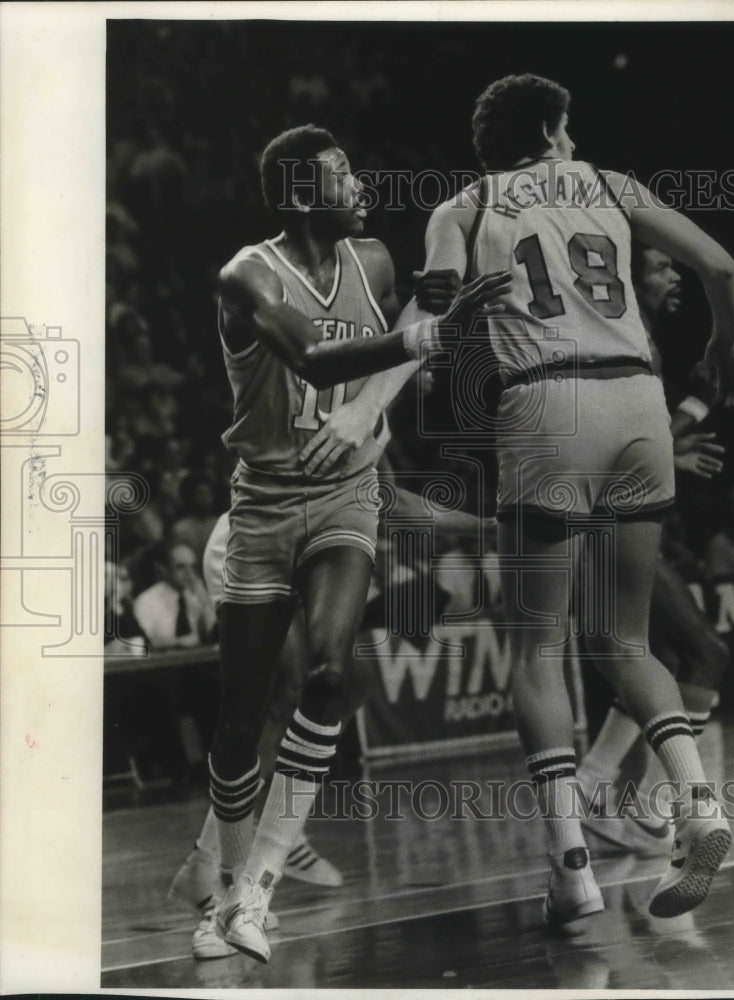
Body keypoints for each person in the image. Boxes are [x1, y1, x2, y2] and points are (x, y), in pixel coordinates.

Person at [414, 73, 734, 927]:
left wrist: (446, 330)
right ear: (556, 129)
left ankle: (571, 869)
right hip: (638, 399)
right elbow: (719, 262)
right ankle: (700, 806)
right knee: (623, 638)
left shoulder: (462, 205)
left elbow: (431, 321)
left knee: (538, 648)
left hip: (548, 403)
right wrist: (728, 346)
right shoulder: (605, 181)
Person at [204, 124, 508, 962]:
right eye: (340, 176)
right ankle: (224, 893)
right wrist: (419, 340)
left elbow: (419, 310)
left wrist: (390, 383)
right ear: (302, 193)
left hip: (343, 500)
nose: (358, 184)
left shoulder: (372, 261)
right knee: (238, 723)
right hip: (262, 508)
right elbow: (312, 357)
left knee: (334, 675)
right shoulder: (247, 274)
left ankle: (257, 890)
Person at [576, 245, 731, 855]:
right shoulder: (630, 338)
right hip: (611, 517)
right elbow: (630, 444)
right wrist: (697, 404)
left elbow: (640, 438)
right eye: (664, 267)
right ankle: (650, 808)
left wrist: (677, 442)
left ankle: (593, 788)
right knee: (706, 654)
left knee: (660, 657)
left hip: (612, 513)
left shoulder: (626, 336)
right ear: (628, 276)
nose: (676, 280)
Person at [133, 541, 216, 650]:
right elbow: (142, 644)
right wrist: (177, 644)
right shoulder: (147, 601)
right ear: (164, 569)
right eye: (181, 567)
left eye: (192, 567)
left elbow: (214, 635)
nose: (189, 573)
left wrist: (205, 603)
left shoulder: (196, 596)